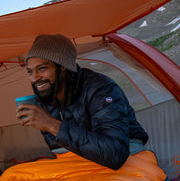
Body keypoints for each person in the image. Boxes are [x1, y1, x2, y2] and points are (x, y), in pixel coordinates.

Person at [16, 33, 149, 170]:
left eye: (42, 68)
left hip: (127, 157)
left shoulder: (101, 89)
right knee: (12, 180)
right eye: (30, 72)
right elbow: (60, 151)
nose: (34, 78)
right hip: (76, 162)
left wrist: (51, 124)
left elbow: (115, 154)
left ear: (62, 66)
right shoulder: (45, 96)